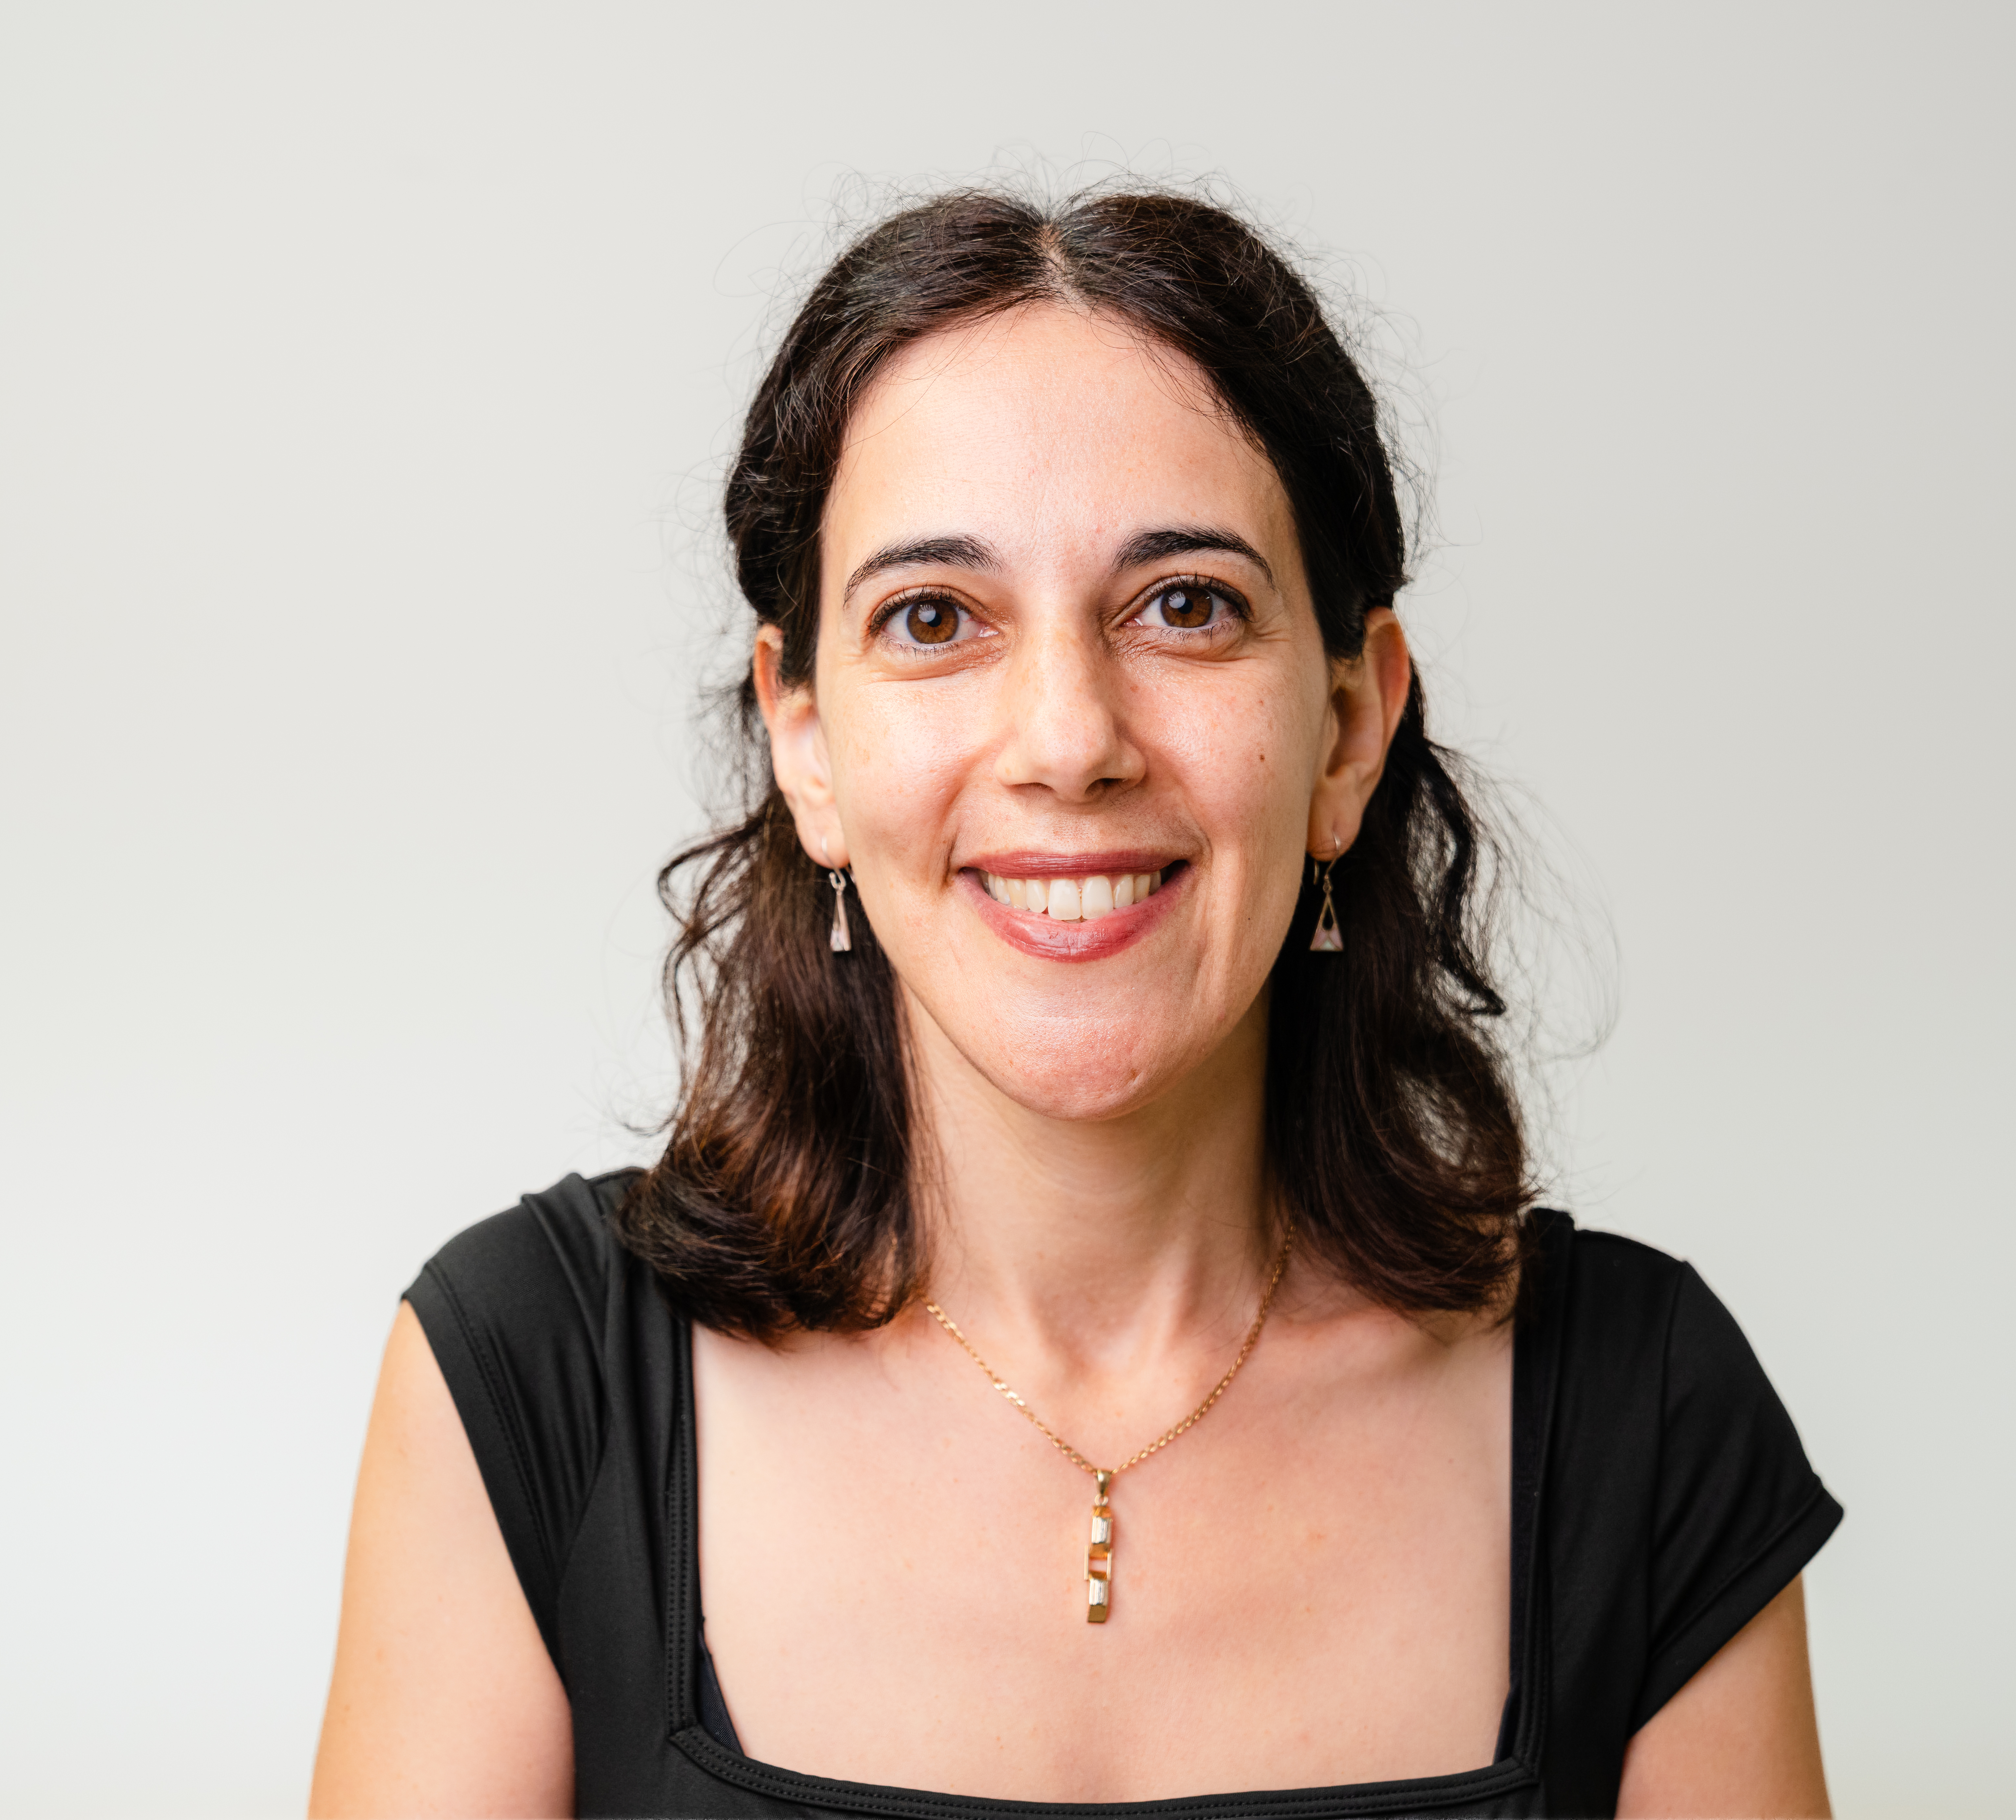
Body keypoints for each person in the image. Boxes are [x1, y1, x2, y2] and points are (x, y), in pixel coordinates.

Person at [309, 186, 1841, 1820]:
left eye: (1184, 604)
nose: (1067, 737)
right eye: (934, 619)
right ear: (804, 742)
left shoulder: (1645, 1415)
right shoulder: (528, 1383)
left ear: (1345, 728)